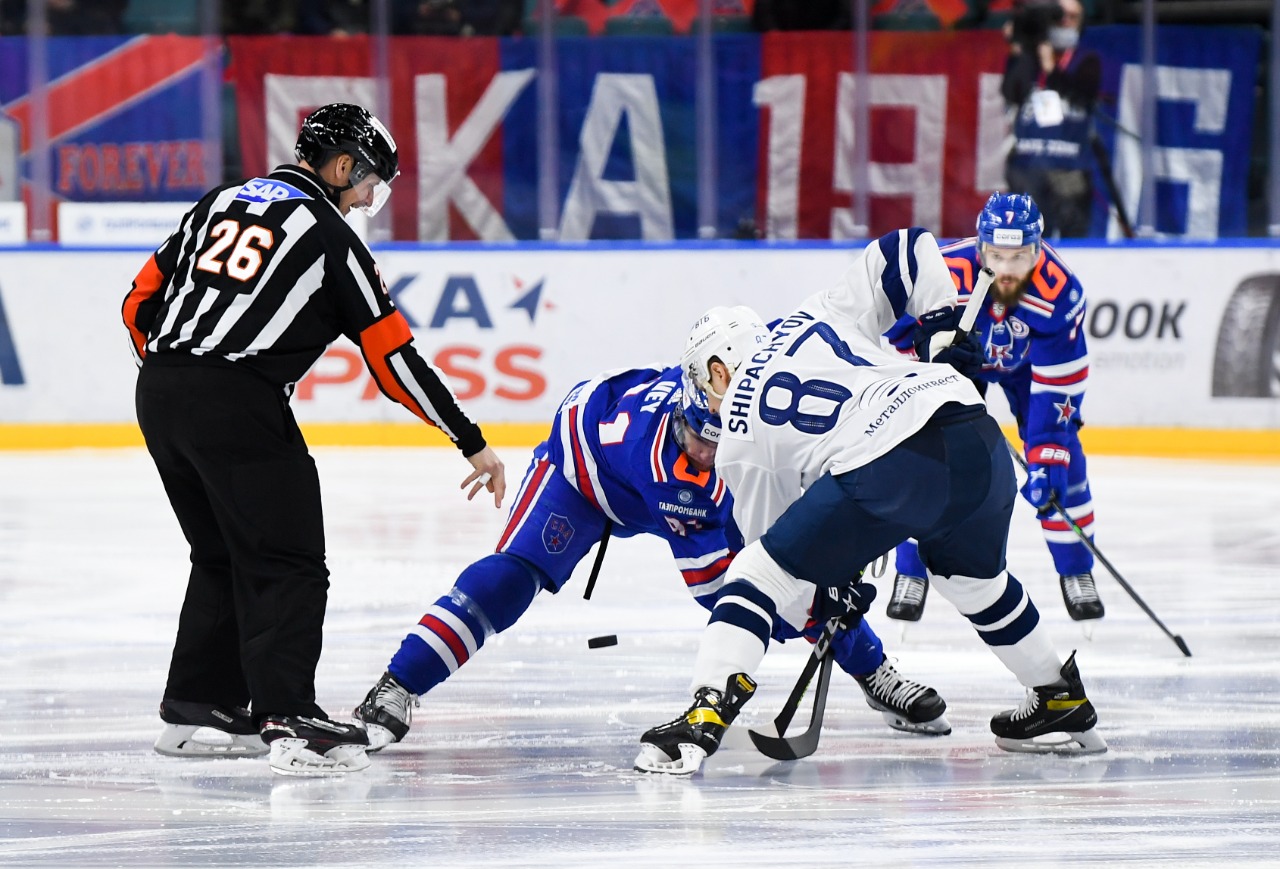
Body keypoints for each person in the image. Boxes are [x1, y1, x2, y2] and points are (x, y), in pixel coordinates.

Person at [354, 306, 951, 751]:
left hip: (650, 465)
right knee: (511, 578)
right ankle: (397, 685)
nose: (712, 452)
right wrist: (820, 602)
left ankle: (874, 675)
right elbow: (722, 593)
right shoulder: (675, 464)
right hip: (585, 477)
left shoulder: (760, 417)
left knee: (799, 573)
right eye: (707, 436)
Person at [122, 103, 506, 776]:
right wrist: (469, 438)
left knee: (221, 552)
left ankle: (196, 707)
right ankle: (286, 714)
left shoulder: (218, 201)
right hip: (237, 400)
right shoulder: (331, 237)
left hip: (160, 390)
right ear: (339, 165)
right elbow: (393, 362)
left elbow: (137, 302)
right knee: (290, 560)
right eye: (367, 182)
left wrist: (175, 374)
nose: (366, 199)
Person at [635, 227, 1106, 776]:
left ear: (718, 368)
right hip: (973, 432)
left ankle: (705, 711)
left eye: (701, 377)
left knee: (756, 574)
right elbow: (908, 247)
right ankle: (1058, 696)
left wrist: (826, 589)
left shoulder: (738, 439)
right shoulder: (813, 315)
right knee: (973, 581)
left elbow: (776, 567)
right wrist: (937, 330)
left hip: (889, 469)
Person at [885, 192, 1103, 624]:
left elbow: (1058, 386)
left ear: (1038, 251)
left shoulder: (1060, 291)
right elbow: (894, 335)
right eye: (996, 255)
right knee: (925, 459)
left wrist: (1047, 460)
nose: (1005, 269)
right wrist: (931, 355)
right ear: (981, 246)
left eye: (1019, 257)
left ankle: (1076, 570)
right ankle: (910, 570)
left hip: (1026, 371)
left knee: (1065, 470)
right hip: (960, 365)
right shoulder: (945, 274)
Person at [1002, 0, 1101, 239]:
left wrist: (1051, 68)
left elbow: (1081, 96)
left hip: (1069, 165)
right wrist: (1023, 51)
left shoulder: (1087, 59)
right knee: (1028, 237)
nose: (1064, 22)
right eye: (1058, 16)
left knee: (1074, 236)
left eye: (1072, 17)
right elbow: (1011, 93)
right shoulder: (1030, 57)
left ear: (1081, 22)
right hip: (1029, 162)